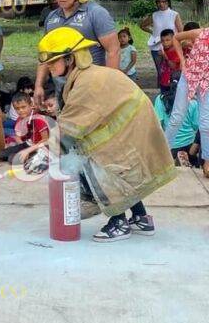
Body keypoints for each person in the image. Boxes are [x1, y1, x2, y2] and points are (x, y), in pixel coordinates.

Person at [37, 26, 176, 242]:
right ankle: (140, 216)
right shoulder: (85, 76)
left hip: (131, 133)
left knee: (93, 162)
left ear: (71, 59)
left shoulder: (87, 83)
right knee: (115, 171)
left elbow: (69, 130)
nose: (49, 68)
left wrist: (42, 155)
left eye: (53, 62)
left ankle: (118, 221)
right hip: (134, 130)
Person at [35, 0, 120, 106]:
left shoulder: (96, 14)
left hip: (92, 89)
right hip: (62, 90)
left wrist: (108, 87)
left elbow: (113, 51)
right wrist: (38, 85)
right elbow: (46, 55)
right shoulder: (52, 17)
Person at [165, 24, 209, 177]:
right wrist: (182, 62)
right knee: (177, 117)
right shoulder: (200, 33)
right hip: (188, 77)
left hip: (206, 81)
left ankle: (207, 161)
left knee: (205, 123)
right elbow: (176, 38)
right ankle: (163, 157)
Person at [154, 81, 201, 167]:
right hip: (188, 145)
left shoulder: (160, 100)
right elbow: (196, 126)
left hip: (168, 146)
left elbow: (158, 124)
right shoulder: (192, 102)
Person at [140, 0, 183, 81]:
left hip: (171, 48)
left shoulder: (174, 14)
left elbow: (181, 31)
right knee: (161, 72)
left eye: (164, 2)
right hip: (156, 47)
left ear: (168, 2)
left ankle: (172, 91)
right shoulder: (154, 15)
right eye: (159, 2)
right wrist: (153, 33)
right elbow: (142, 25)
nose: (161, 4)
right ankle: (162, 92)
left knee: (173, 71)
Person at [0, 92, 50, 168]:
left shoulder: (38, 119)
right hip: (27, 144)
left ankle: (37, 158)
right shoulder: (19, 119)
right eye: (17, 108)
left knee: (12, 159)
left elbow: (46, 140)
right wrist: (22, 147)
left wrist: (28, 150)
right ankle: (30, 157)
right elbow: (17, 137)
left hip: (40, 146)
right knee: (2, 154)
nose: (21, 110)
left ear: (31, 105)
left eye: (23, 107)